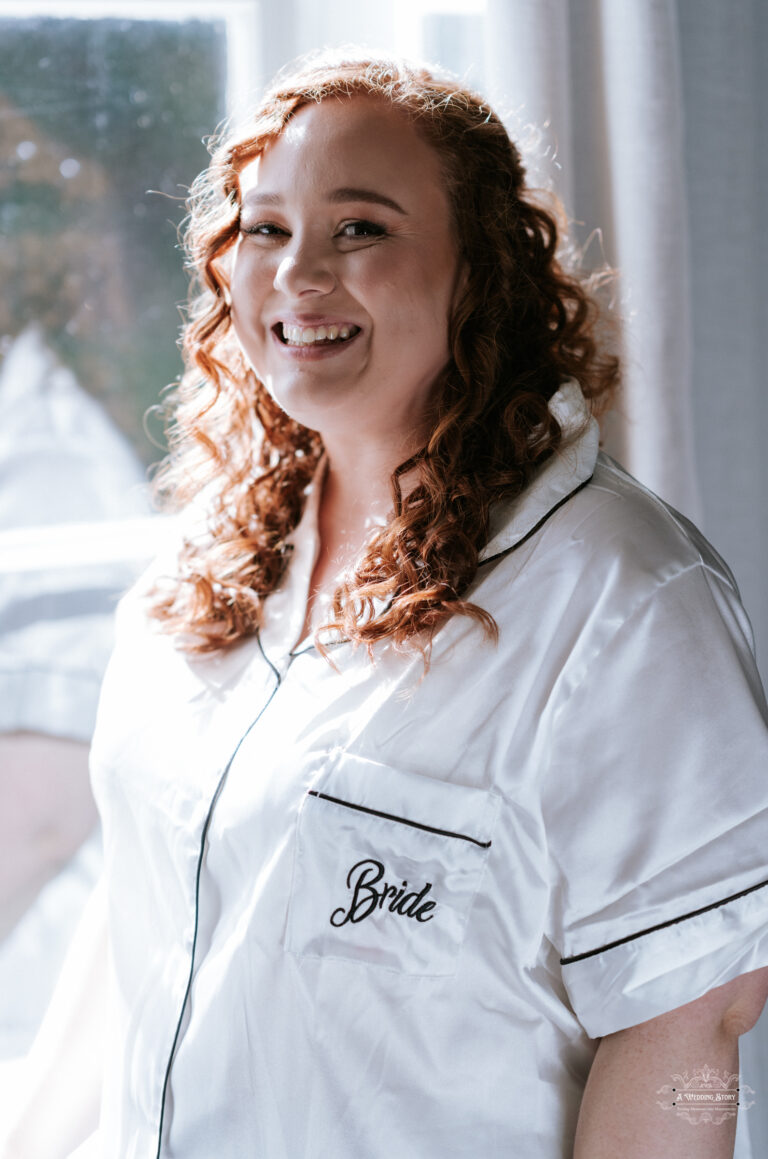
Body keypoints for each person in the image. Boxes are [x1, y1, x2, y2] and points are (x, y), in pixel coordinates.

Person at [3, 50, 768, 1159]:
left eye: (359, 228)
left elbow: (693, 1015)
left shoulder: (619, 595)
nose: (298, 272)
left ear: (479, 270)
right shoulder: (205, 561)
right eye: (265, 229)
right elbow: (154, 900)